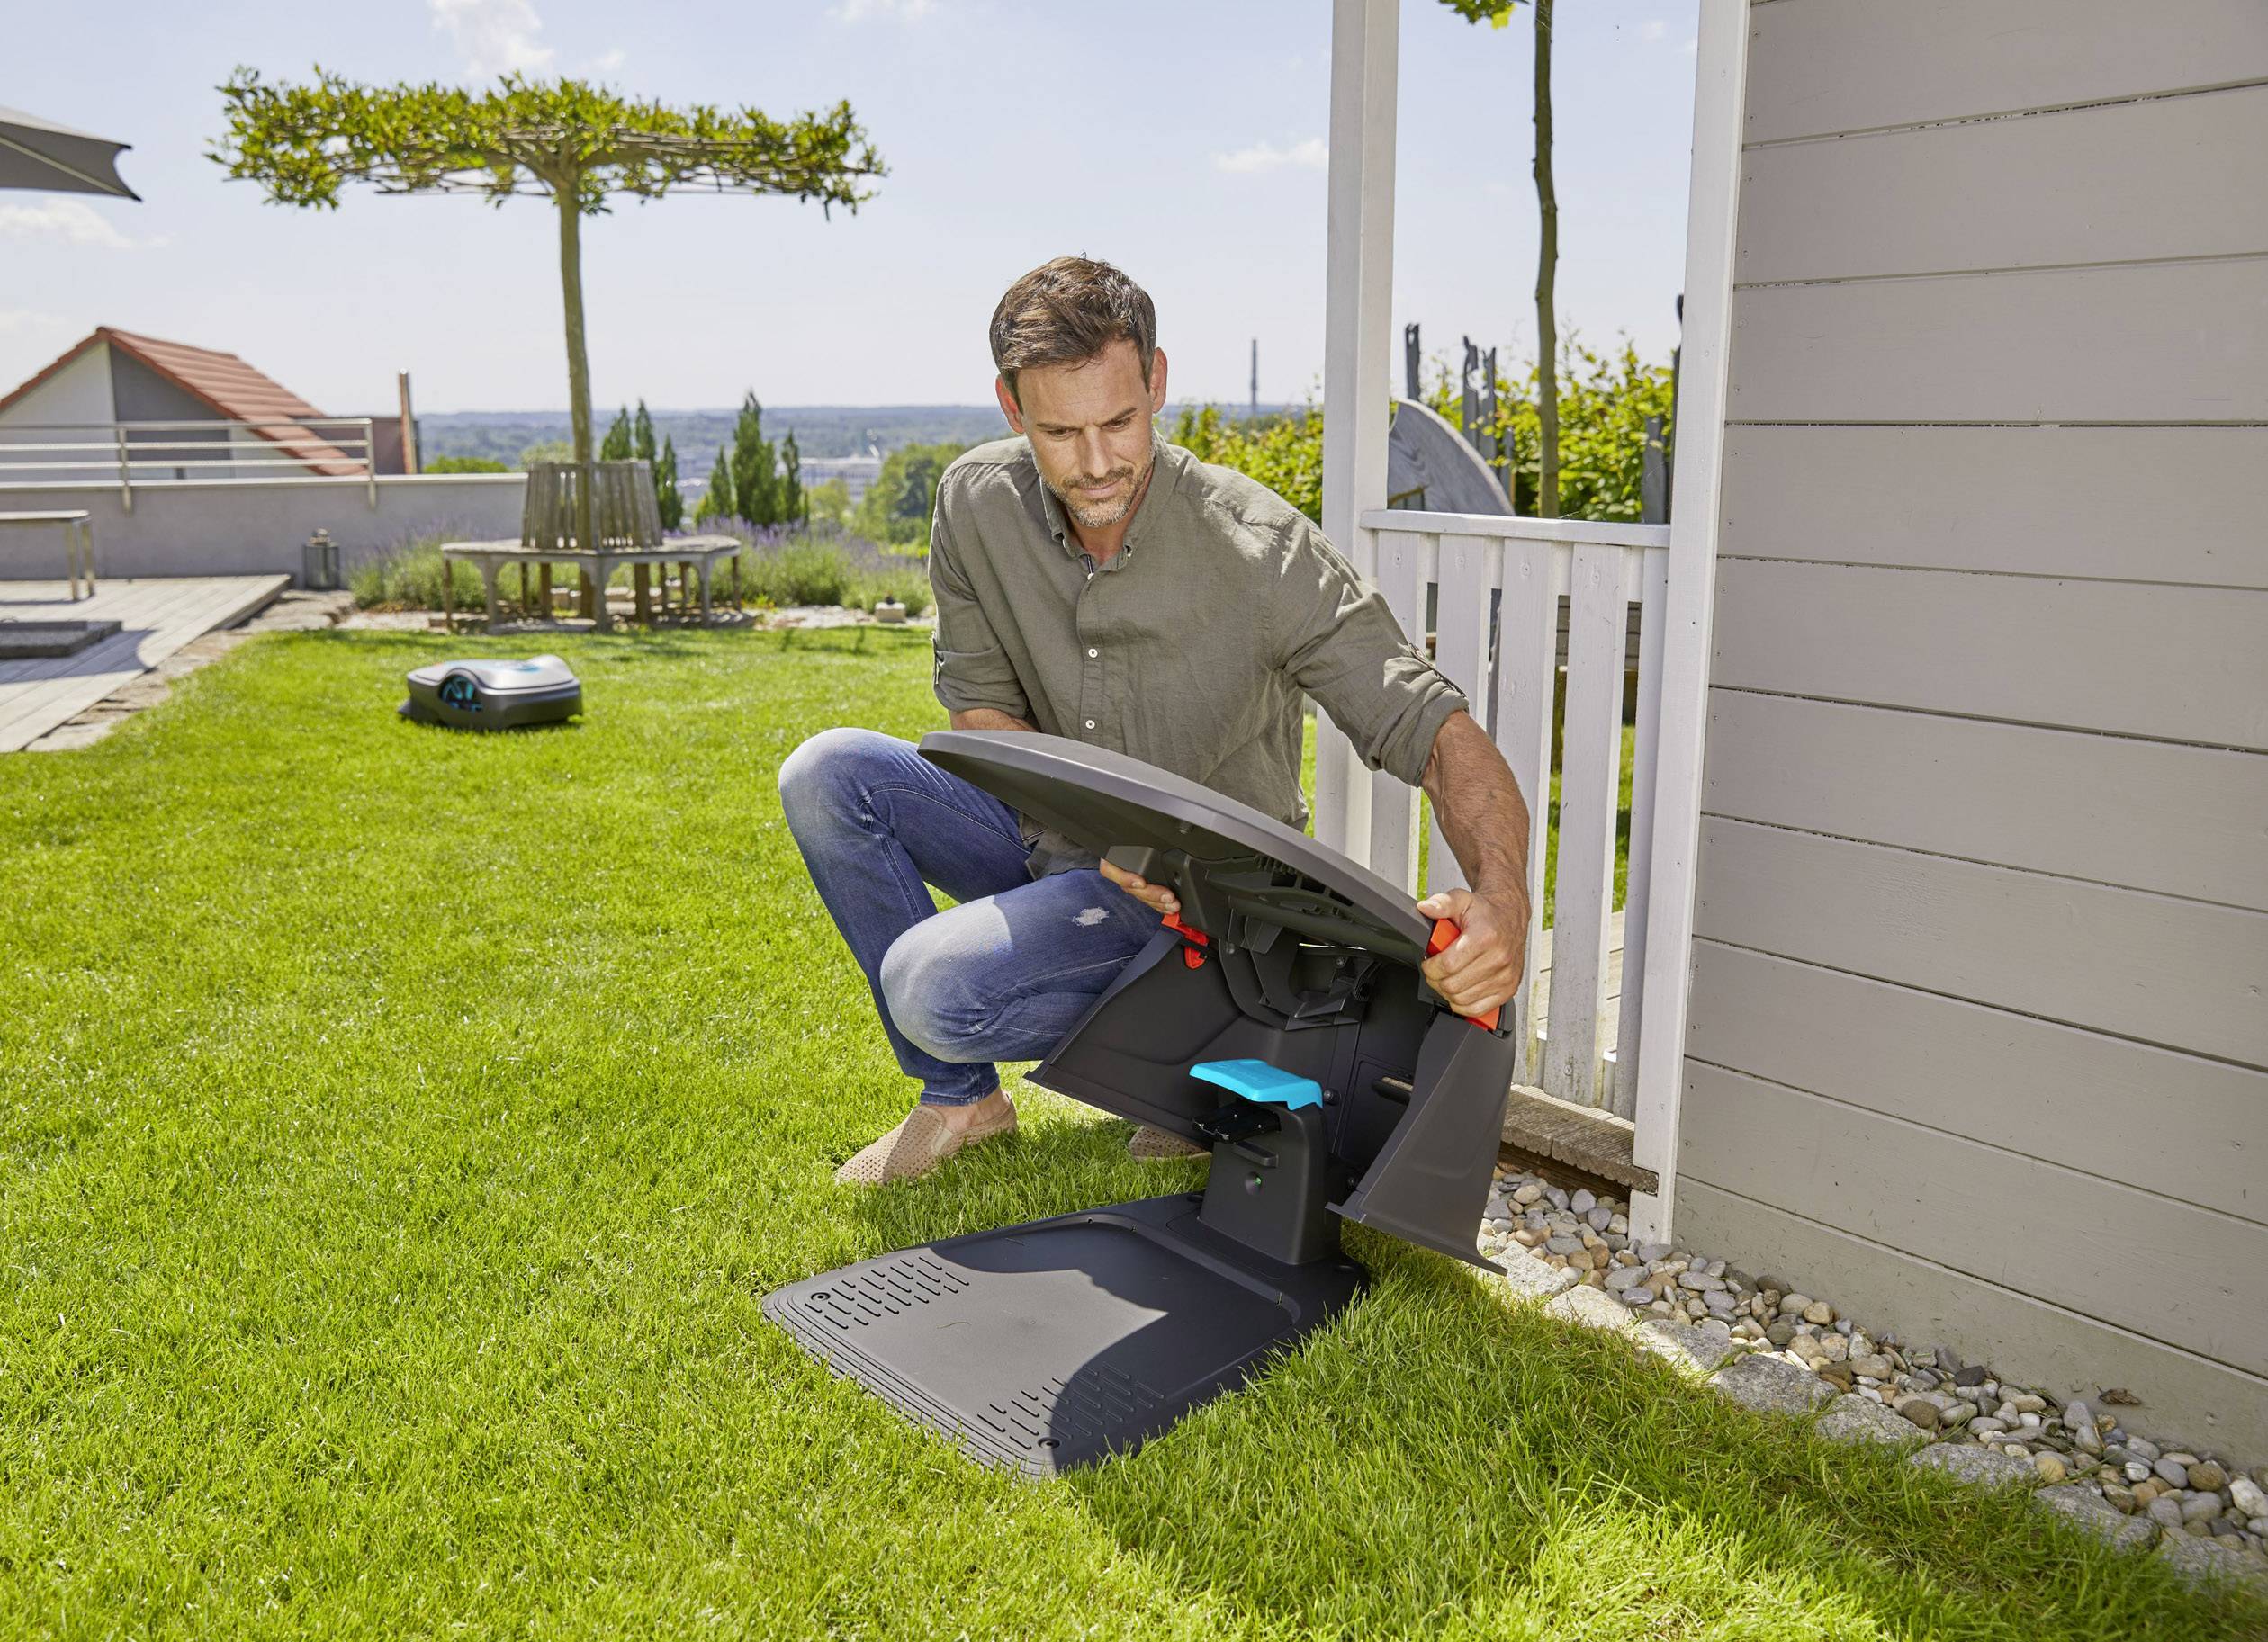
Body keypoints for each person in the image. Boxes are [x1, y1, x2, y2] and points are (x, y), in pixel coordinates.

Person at [780, 256, 1533, 1186]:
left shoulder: (1263, 551)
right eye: (1060, 431)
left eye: (1119, 421)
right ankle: (963, 1098)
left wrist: (1501, 896)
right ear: (1012, 409)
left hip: (1201, 908)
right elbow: (978, 717)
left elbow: (1439, 733)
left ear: (1158, 383)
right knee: (827, 772)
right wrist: (1105, 834)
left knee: (930, 984)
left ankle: (1193, 1058)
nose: (1097, 463)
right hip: (1058, 838)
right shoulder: (976, 504)